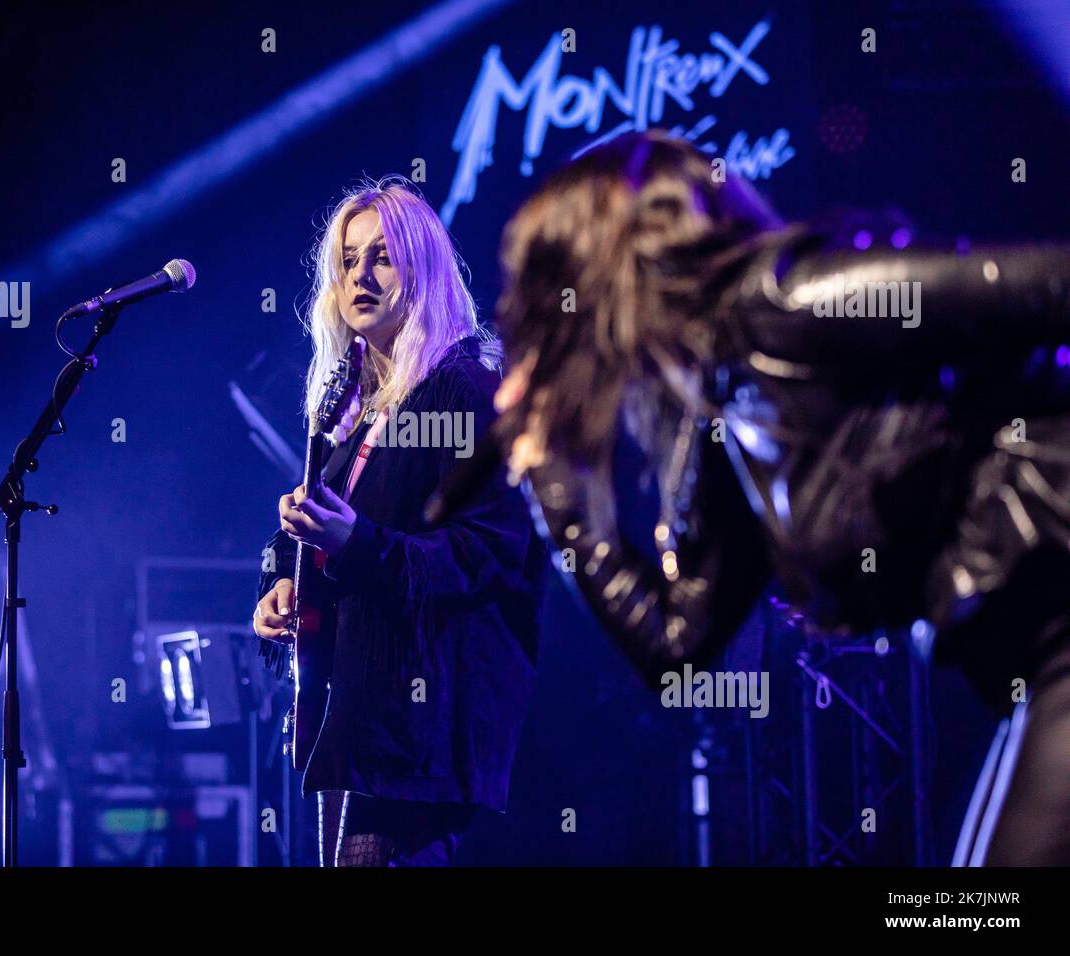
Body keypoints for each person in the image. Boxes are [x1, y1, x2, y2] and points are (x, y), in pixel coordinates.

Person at [488, 130, 1070, 865]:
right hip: (1033, 659)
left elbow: (1050, 285)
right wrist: (554, 479)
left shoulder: (791, 298)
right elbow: (676, 649)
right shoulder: (726, 407)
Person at [252, 176, 546, 866]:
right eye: (349, 260)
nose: (361, 274)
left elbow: (485, 554)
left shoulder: (464, 390)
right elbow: (317, 526)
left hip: (417, 727)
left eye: (382, 256)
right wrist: (278, 579)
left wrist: (354, 542)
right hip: (354, 719)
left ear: (424, 271)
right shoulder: (353, 408)